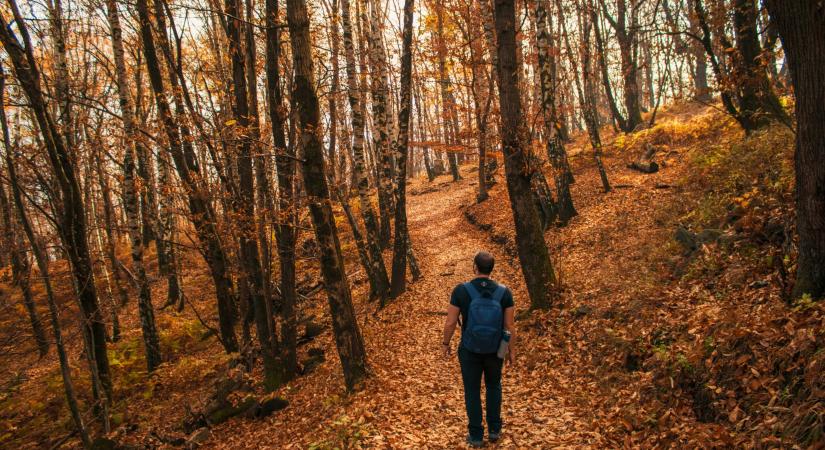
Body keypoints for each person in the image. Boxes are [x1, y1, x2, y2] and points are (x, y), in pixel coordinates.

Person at [442, 251, 515, 447]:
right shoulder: (504, 292)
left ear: (475, 267)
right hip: (496, 349)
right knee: (494, 385)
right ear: (492, 269)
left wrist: (445, 344)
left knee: (472, 390)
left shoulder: (461, 291)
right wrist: (510, 351)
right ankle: (494, 430)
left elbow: (450, 323)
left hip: (469, 349)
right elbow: (509, 326)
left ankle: (475, 435)